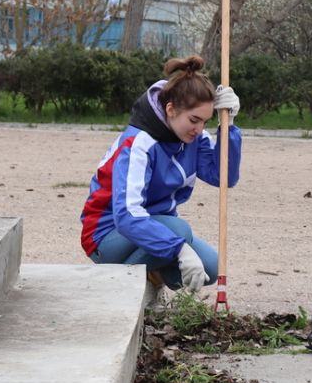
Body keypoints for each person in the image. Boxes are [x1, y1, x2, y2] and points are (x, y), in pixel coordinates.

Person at [79, 55, 242, 292]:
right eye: (194, 120)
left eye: (205, 122)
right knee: (180, 231)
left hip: (155, 227)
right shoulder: (138, 143)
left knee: (212, 267)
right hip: (108, 234)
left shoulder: (194, 137)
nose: (199, 129)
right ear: (171, 109)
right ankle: (111, 288)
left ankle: (150, 270)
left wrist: (228, 125)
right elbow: (126, 216)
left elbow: (224, 177)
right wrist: (179, 248)